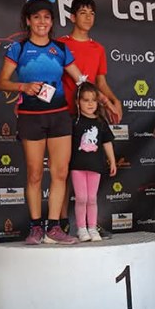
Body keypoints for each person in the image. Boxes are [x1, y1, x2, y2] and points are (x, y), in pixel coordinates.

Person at [0, 0, 84, 245]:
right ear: (28, 21)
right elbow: (2, 81)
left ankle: (54, 227)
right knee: (35, 174)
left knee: (60, 173)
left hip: (59, 115)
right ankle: (36, 227)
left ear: (52, 22)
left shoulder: (61, 49)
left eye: (46, 17)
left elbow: (80, 79)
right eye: (36, 17)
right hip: (31, 117)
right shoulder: (19, 48)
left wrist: (100, 97)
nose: (42, 22)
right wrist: (23, 86)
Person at [58, 0, 122, 239]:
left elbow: (100, 82)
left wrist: (112, 100)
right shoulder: (61, 44)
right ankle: (60, 222)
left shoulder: (98, 49)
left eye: (92, 13)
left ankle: (89, 224)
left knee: (90, 170)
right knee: (64, 170)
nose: (88, 17)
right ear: (72, 17)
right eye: (83, 12)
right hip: (65, 113)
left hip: (90, 114)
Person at [70, 82, 117, 242]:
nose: (90, 104)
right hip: (77, 166)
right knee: (81, 198)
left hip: (95, 166)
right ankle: (81, 229)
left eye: (93, 100)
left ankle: (92, 227)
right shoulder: (74, 121)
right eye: (86, 100)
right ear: (77, 102)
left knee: (92, 198)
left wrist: (112, 160)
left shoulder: (101, 121)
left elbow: (107, 142)